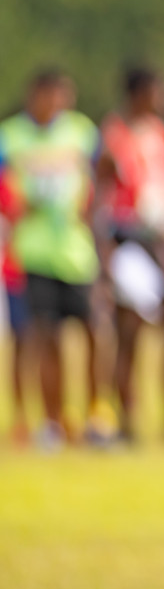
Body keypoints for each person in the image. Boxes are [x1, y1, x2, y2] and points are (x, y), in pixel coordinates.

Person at [0, 69, 106, 448]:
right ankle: (51, 421)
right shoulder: (11, 136)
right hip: (33, 251)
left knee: (94, 332)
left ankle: (96, 414)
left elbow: (100, 180)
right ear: (35, 95)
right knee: (44, 338)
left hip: (77, 252)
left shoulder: (82, 132)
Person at [97, 66, 164, 443]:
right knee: (129, 331)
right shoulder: (114, 135)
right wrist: (105, 252)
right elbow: (102, 194)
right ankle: (125, 416)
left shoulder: (160, 134)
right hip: (126, 236)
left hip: (158, 237)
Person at [1, 172, 30, 446]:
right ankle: (20, 418)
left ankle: (50, 420)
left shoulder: (12, 179)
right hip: (13, 273)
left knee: (43, 344)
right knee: (19, 345)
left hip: (33, 268)